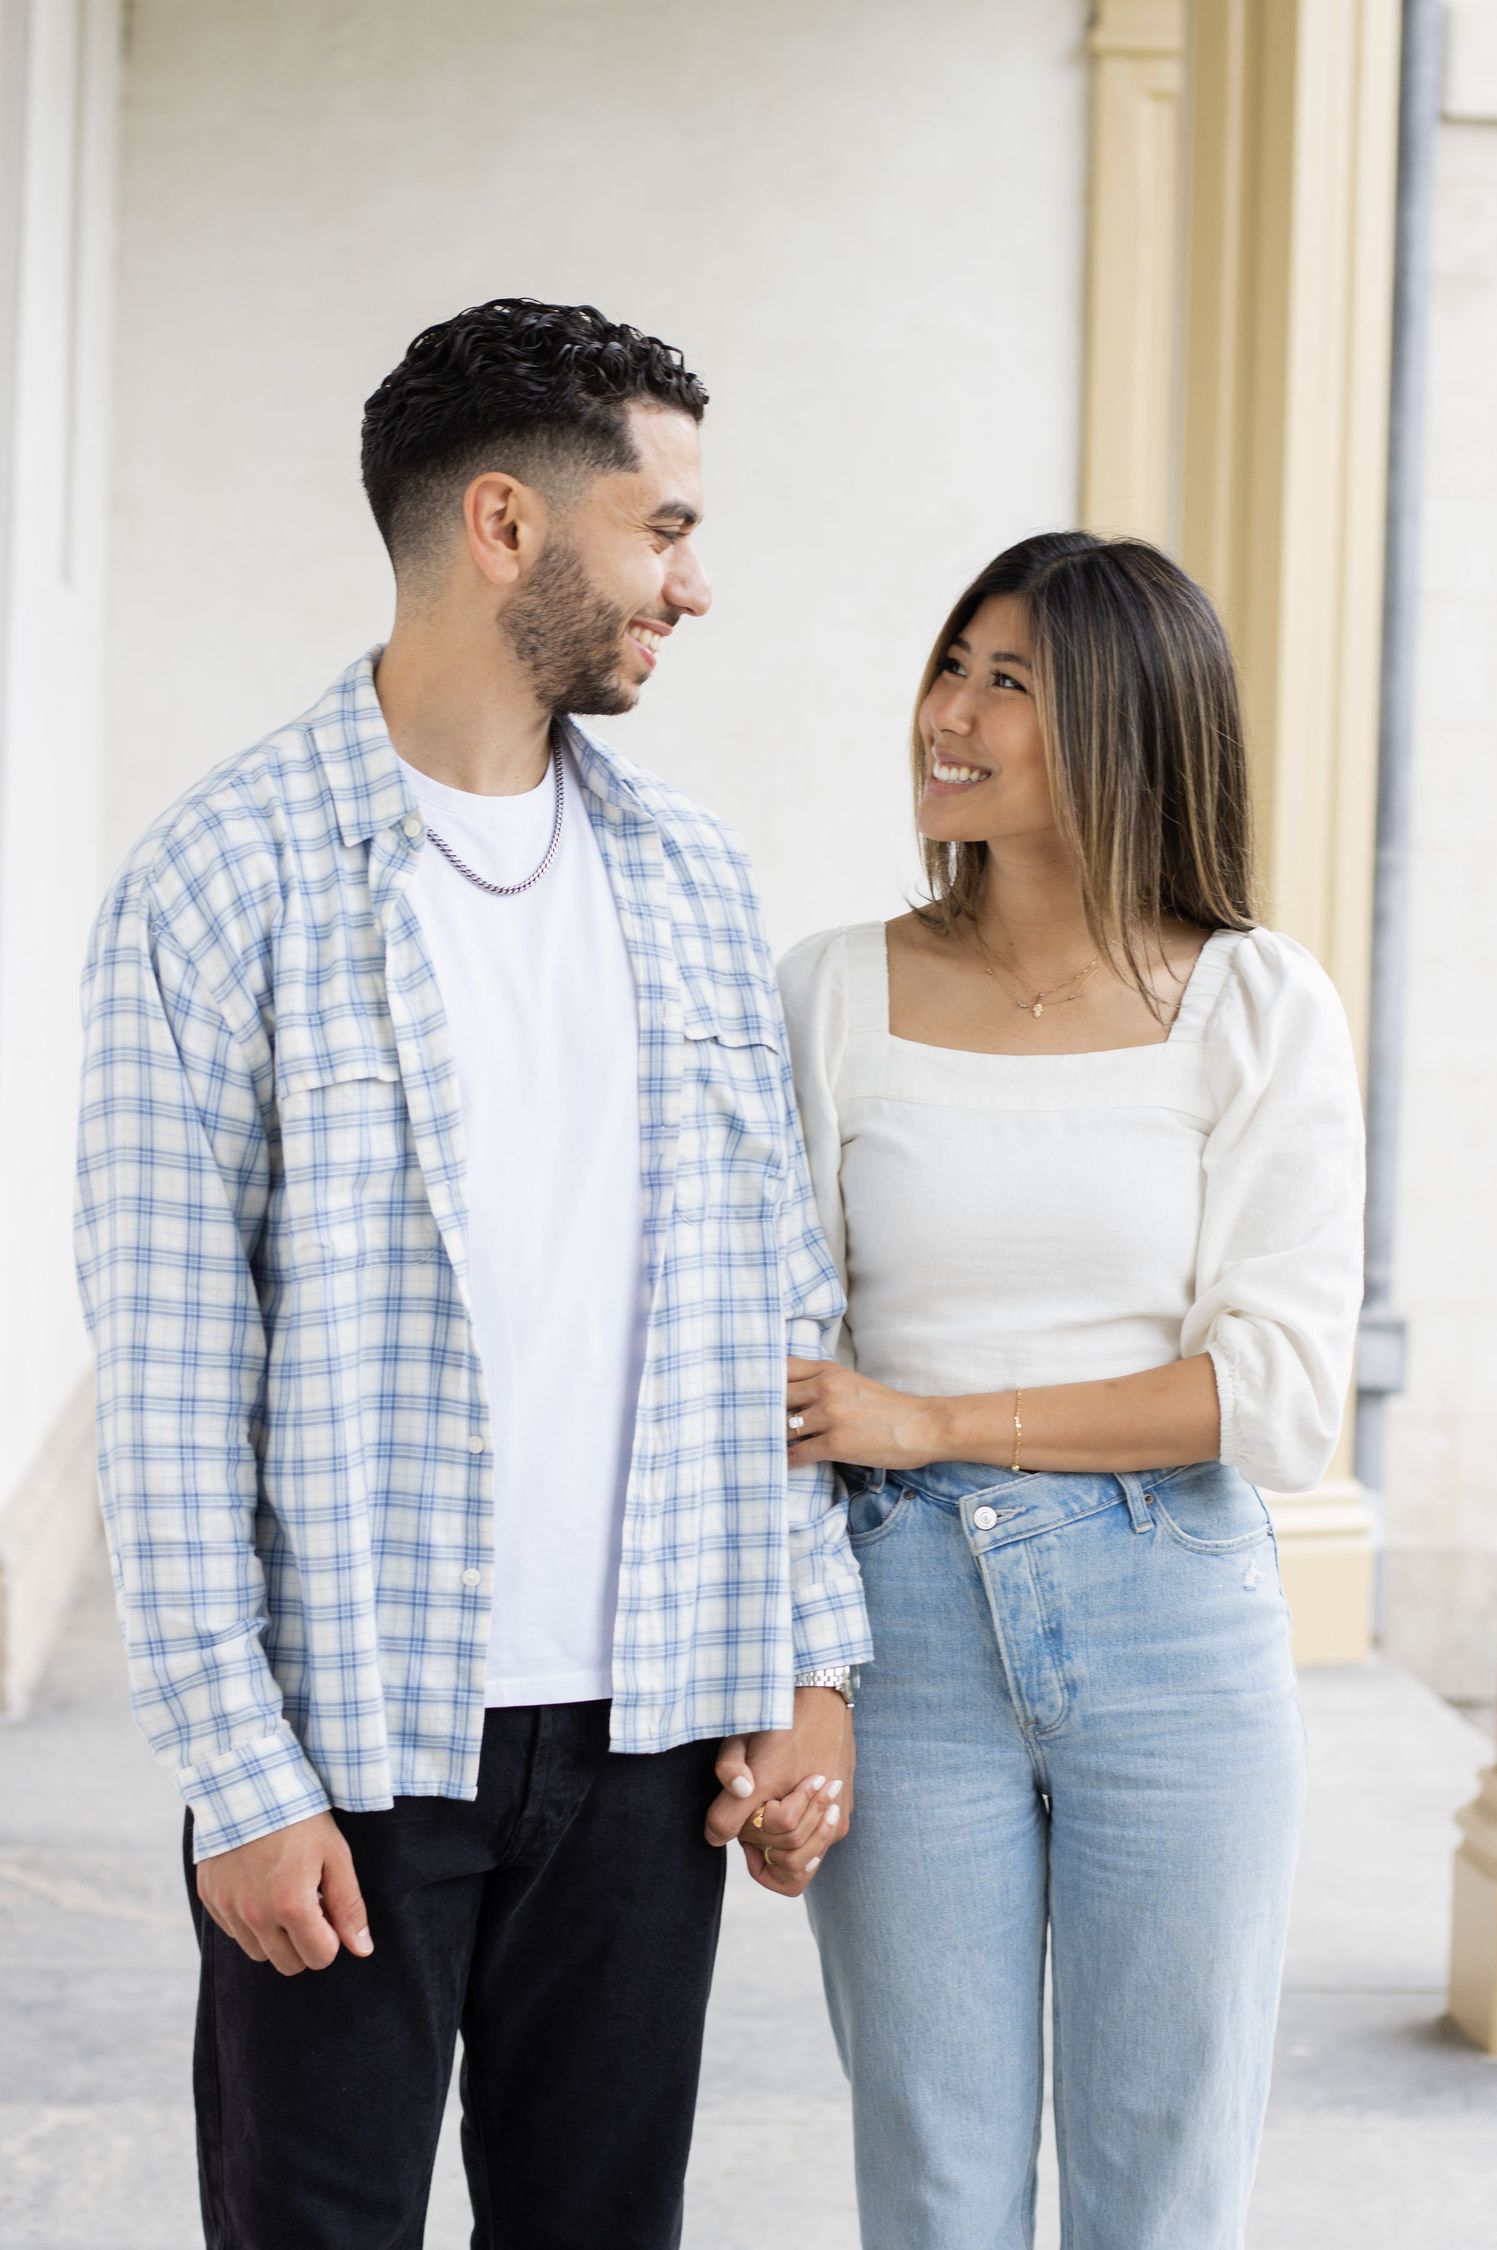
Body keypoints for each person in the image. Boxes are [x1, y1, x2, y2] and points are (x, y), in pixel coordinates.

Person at [73, 297, 866, 2250]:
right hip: (352, 1745)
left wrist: (809, 1651)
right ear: (505, 523)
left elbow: (776, 1304)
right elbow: (173, 1381)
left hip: (654, 1725)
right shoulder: (218, 880)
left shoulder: (690, 879)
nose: (696, 584)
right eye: (662, 526)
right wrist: (239, 1779)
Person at [777, 531, 1366, 2250]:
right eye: (950, 664)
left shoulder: (1255, 1005)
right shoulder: (833, 991)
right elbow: (780, 1367)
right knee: (935, 2181)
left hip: (1173, 1619)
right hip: (902, 1628)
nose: (946, 715)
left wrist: (937, 1416)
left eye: (1007, 683)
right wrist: (798, 1671)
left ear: (1121, 721)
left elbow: (1272, 1395)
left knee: (1162, 2192)